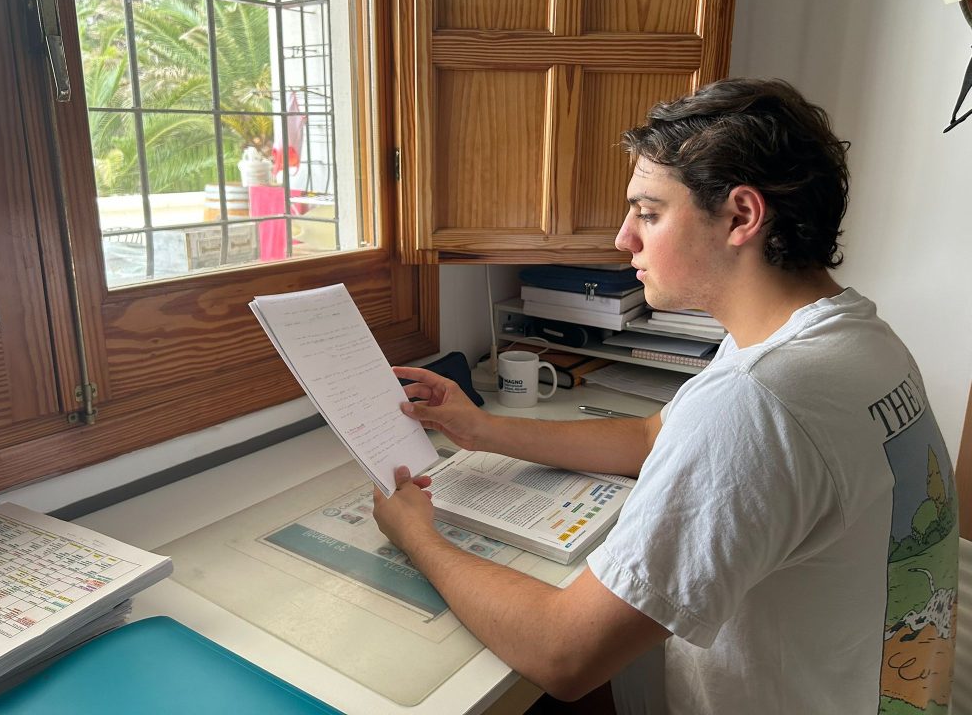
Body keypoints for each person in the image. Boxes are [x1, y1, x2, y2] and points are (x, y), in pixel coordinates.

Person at [373, 79, 958, 714]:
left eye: (648, 213)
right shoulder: (850, 335)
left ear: (741, 216)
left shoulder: (758, 397)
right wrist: (482, 429)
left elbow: (564, 653)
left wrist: (417, 536)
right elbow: (653, 435)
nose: (624, 238)